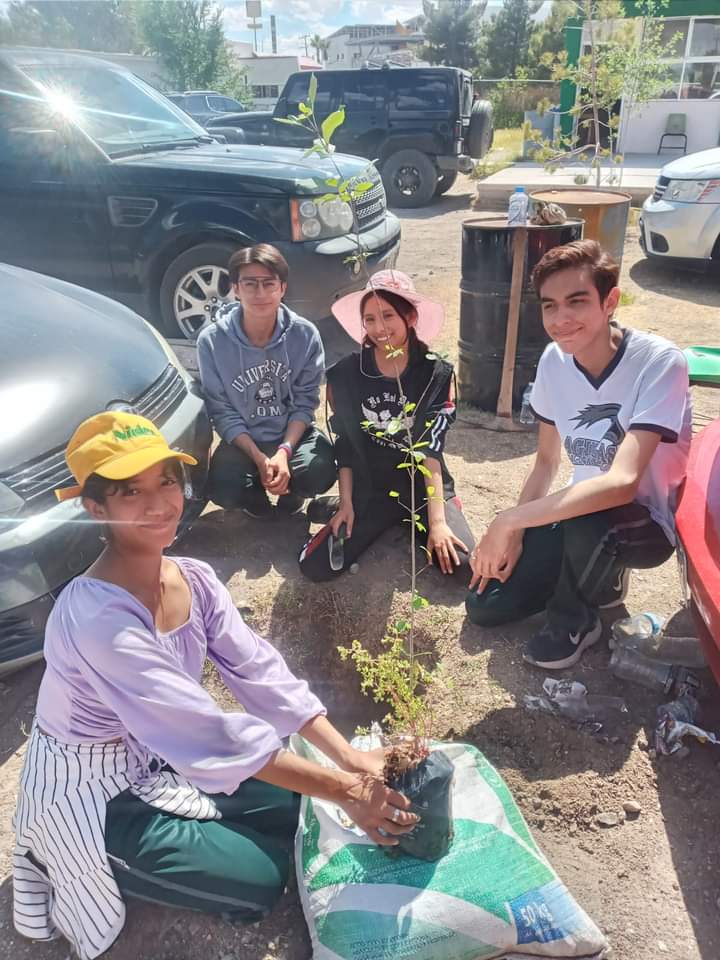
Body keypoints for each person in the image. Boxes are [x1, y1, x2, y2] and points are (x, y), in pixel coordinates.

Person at [12, 412, 417, 960]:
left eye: (167, 481)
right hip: (95, 791)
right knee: (258, 881)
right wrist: (348, 791)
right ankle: (72, 858)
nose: (160, 503)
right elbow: (208, 735)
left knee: (297, 812)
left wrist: (348, 759)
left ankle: (212, 829)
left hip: (163, 756)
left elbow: (258, 671)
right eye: (132, 491)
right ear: (95, 508)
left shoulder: (193, 580)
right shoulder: (96, 619)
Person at [466, 240, 691, 669]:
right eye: (550, 306)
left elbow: (623, 483)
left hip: (645, 521)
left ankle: (577, 620)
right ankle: (595, 579)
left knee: (592, 510)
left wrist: (509, 520)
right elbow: (547, 463)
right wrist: (515, 536)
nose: (561, 319)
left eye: (577, 301)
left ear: (610, 301)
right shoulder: (553, 361)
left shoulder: (660, 362)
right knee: (485, 604)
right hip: (580, 512)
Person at [298, 271, 474, 581]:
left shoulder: (436, 374)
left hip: (421, 486)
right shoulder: (346, 376)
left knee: (460, 566)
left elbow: (430, 450)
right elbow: (347, 446)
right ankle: (341, 505)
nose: (379, 328)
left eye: (388, 315)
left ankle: (447, 506)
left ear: (410, 316)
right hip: (371, 487)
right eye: (369, 319)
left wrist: (437, 522)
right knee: (317, 567)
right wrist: (349, 504)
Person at [197, 244, 336, 518]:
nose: (260, 294)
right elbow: (221, 410)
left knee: (318, 469)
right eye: (250, 284)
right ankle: (254, 501)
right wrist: (259, 458)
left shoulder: (305, 335)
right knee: (225, 487)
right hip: (244, 439)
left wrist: (284, 452)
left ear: (282, 288)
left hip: (291, 436)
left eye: (268, 284)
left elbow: (305, 403)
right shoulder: (212, 341)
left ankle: (293, 494)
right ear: (235, 288)